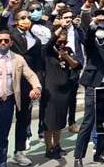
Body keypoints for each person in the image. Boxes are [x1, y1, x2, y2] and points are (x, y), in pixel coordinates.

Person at [73, 9, 104, 167]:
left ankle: (100, 153)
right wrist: (94, 24)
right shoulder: (94, 42)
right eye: (100, 27)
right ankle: (78, 157)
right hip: (95, 85)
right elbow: (88, 38)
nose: (103, 29)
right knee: (88, 122)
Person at [0, 30, 42, 167]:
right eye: (0, 40)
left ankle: (2, 164)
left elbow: (31, 75)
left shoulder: (18, 59)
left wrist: (36, 87)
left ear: (11, 43)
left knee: (3, 136)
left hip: (7, 102)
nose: (3, 43)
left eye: (6, 41)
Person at [42, 26, 82, 159]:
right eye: (60, 41)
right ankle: (49, 149)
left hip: (64, 90)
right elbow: (50, 41)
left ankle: (57, 145)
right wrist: (61, 28)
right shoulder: (47, 51)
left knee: (59, 120)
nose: (62, 44)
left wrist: (66, 56)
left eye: (64, 42)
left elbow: (77, 65)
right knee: (50, 121)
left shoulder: (67, 50)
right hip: (51, 90)